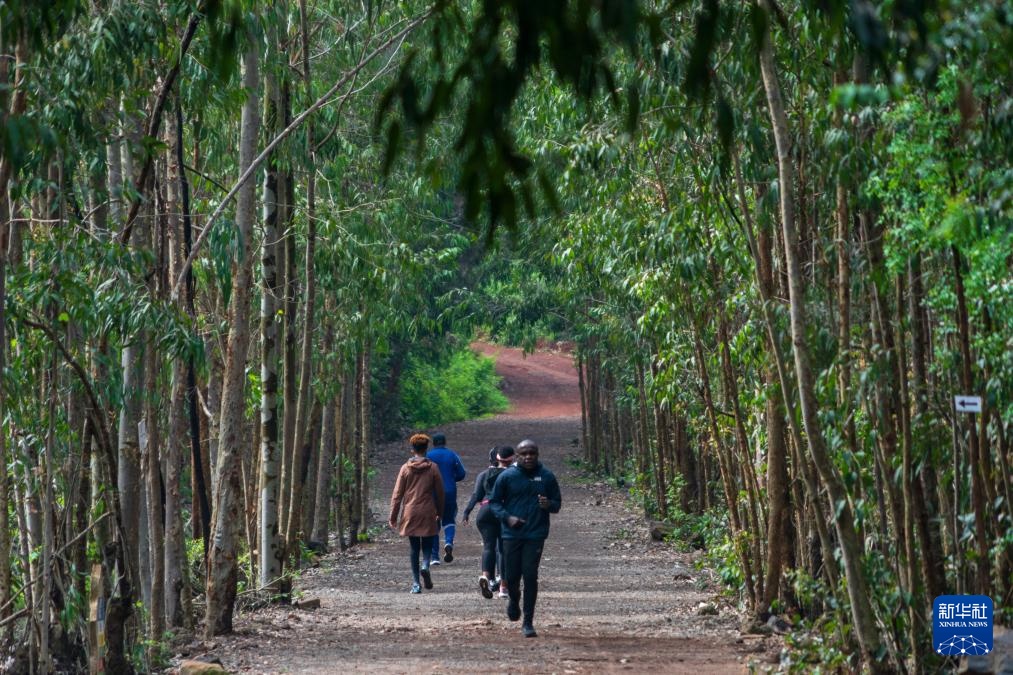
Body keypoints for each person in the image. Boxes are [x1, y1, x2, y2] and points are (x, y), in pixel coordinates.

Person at [488, 439, 561, 637]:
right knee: (511, 576)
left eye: (532, 453)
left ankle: (528, 622)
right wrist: (507, 518)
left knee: (530, 575)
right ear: (517, 457)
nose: (528, 457)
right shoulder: (507, 477)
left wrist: (548, 505)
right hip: (511, 534)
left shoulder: (546, 476)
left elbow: (557, 504)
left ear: (537, 454)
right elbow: (494, 503)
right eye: (524, 454)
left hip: (536, 533)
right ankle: (513, 599)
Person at [389, 433, 445, 593]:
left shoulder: (405, 468)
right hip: (428, 510)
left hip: (410, 511)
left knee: (414, 548)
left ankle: (415, 583)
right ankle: (426, 564)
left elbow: (397, 494)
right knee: (427, 543)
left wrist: (393, 516)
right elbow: (440, 493)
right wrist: (439, 512)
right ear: (426, 448)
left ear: (412, 449)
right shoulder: (433, 468)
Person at [462, 445, 515, 599]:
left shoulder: (484, 474)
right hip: (503, 512)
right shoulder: (514, 475)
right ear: (512, 459)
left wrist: (467, 512)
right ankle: (503, 587)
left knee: (488, 546)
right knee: (503, 549)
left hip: (485, 512)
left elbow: (476, 495)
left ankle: (486, 576)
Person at [426, 432, 466, 564]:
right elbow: (461, 473)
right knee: (449, 519)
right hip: (449, 491)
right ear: (445, 442)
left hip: (432, 493)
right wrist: (450, 479)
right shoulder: (452, 454)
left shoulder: (428, 456)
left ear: (433, 443)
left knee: (433, 523)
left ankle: (435, 557)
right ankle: (448, 542)